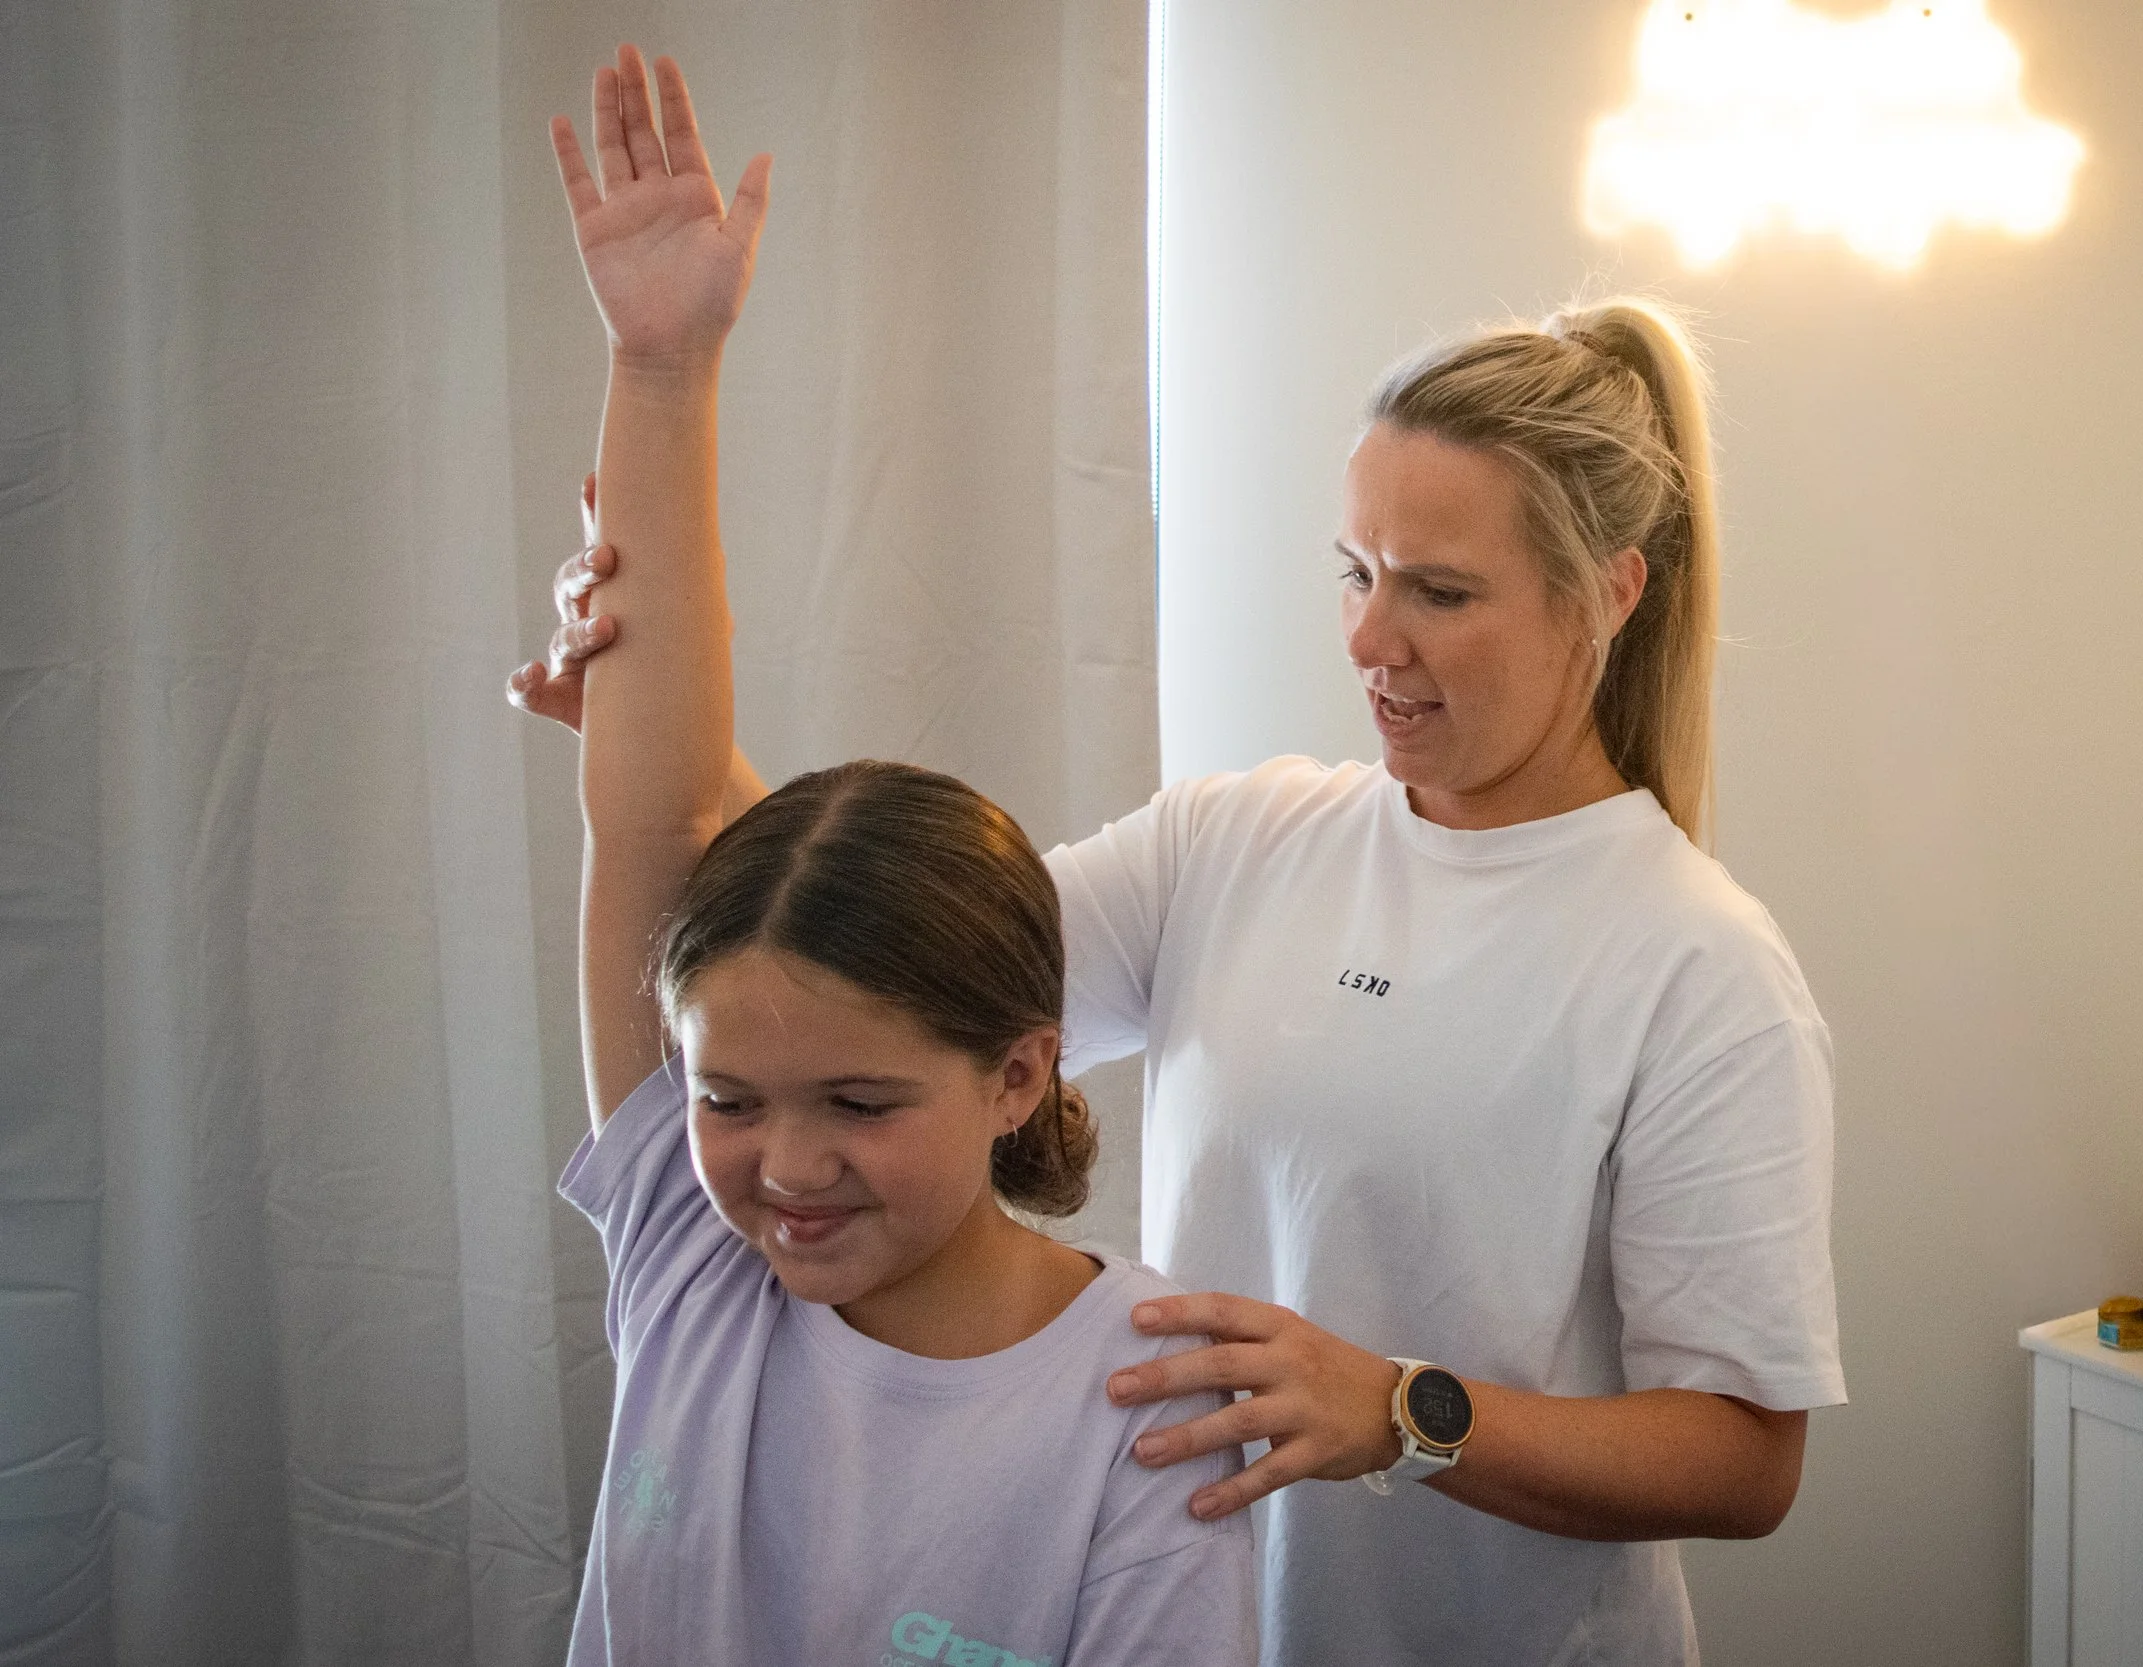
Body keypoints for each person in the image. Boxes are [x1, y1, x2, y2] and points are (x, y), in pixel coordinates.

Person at [515, 47, 1845, 1663]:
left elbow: (1745, 1458)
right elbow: (877, 966)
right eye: (1353, 568)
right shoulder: (1247, 838)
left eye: (1438, 588)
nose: (1370, 634)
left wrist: (1400, 1409)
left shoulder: (1694, 961)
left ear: (1610, 594)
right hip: (1170, 1583)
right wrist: (648, 727)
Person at [544, 48, 1254, 1666]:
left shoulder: (1146, 1401)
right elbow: (654, 822)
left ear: (1019, 1072)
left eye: (859, 1103)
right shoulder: (691, 1240)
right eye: (729, 1096)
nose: (782, 1167)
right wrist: (661, 369)